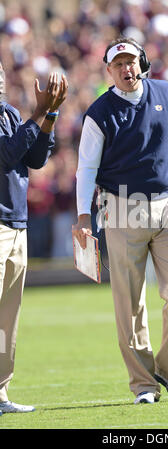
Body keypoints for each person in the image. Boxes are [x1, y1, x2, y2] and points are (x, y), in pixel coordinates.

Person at [72, 37, 168, 404]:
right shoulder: (99, 112)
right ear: (109, 71)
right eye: (119, 64)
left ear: (142, 62)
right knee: (130, 303)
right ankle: (144, 384)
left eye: (131, 61)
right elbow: (86, 169)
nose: (127, 69)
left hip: (167, 206)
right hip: (121, 208)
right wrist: (83, 216)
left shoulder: (166, 92)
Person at [0, 61, 68, 414]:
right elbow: (7, 153)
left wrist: (50, 116)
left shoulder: (9, 113)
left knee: (7, 319)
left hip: (17, 223)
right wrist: (39, 111)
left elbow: (36, 158)